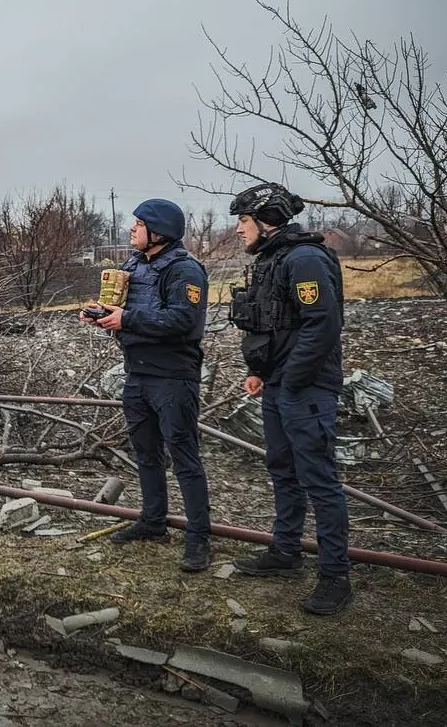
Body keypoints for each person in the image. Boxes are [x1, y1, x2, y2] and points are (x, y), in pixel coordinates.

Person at [226, 181, 352, 616]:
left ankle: (335, 576)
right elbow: (273, 324)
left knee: (319, 479)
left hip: (307, 388)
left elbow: (323, 326)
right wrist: (260, 373)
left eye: (243, 221)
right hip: (280, 384)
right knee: (282, 468)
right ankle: (285, 551)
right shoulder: (272, 259)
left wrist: (293, 380)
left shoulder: (305, 259)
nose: (240, 230)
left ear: (267, 219)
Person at [80, 198, 212, 572]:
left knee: (184, 457)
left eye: (138, 225)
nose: (131, 230)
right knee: (146, 453)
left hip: (172, 376)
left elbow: (182, 321)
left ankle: (198, 537)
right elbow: (126, 311)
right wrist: (102, 316)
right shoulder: (133, 264)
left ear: (159, 232)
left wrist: (127, 318)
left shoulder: (185, 270)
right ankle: (153, 522)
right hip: (137, 373)